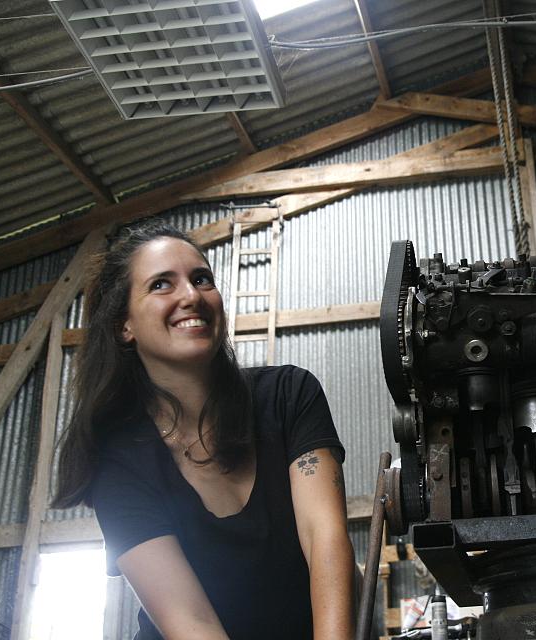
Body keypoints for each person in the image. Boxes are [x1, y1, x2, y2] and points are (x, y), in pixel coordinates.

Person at [52, 220, 355, 640]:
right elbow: (191, 623)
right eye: (162, 284)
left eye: (202, 279)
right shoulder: (116, 462)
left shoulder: (288, 394)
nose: (191, 296)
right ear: (125, 325)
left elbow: (323, 538)